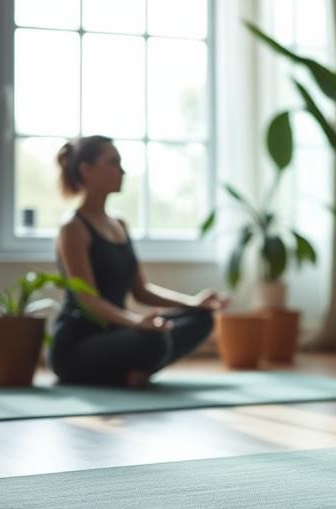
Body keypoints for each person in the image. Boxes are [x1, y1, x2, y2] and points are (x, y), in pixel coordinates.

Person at [49, 135, 226, 386]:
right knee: (153, 338)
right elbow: (87, 300)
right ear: (86, 170)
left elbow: (142, 291)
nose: (122, 170)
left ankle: (130, 372)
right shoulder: (72, 228)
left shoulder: (119, 224)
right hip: (78, 345)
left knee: (200, 320)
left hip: (117, 333)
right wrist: (136, 322)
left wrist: (194, 303)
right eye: (113, 163)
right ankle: (133, 371)